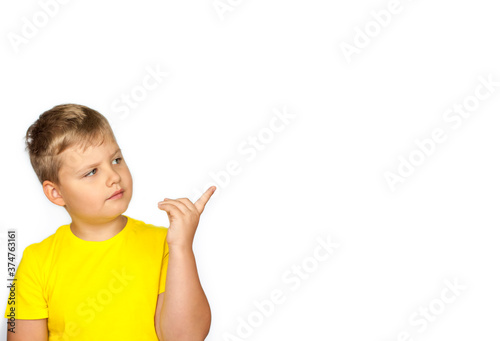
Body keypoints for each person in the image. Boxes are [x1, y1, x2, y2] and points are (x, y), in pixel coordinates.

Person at [4, 104, 215, 340]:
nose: (114, 176)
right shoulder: (35, 262)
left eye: (116, 159)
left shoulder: (165, 245)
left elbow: (186, 337)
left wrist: (182, 248)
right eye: (91, 172)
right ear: (56, 193)